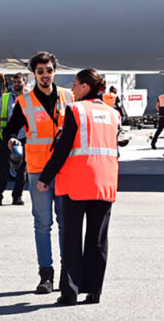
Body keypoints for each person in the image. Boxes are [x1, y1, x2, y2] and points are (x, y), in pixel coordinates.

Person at [39, 68, 120, 306]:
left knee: (72, 238)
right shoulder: (112, 113)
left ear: (85, 87)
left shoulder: (75, 110)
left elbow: (64, 147)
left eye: (75, 85)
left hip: (77, 182)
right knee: (98, 239)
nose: (72, 89)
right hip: (105, 182)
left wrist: (46, 177)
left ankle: (70, 292)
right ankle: (94, 291)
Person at [2, 51, 73, 294]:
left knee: (66, 223)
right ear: (34, 74)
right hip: (37, 170)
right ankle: (46, 275)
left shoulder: (68, 96)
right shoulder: (24, 102)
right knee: (43, 224)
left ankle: (68, 273)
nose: (45, 75)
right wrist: (12, 139)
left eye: (49, 70)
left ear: (55, 71)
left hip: (64, 169)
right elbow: (9, 130)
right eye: (40, 71)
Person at [0, 73, 28, 206]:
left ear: (25, 83)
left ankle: (17, 196)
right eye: (15, 82)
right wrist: (1, 134)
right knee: (2, 169)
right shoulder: (6, 98)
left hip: (24, 137)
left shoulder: (30, 98)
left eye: (19, 81)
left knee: (21, 170)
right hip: (7, 138)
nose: (17, 84)